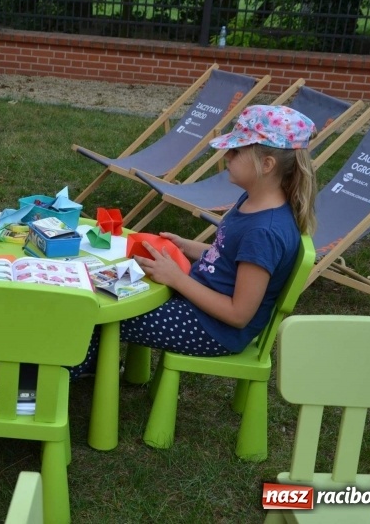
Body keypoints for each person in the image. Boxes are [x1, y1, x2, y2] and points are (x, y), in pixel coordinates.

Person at [70, 105, 317, 378]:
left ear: (267, 165)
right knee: (103, 287)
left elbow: (238, 314)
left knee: (100, 312)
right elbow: (225, 257)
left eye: (236, 152)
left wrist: (177, 278)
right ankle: (92, 361)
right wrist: (185, 246)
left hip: (213, 330)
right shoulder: (253, 201)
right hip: (198, 307)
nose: (227, 157)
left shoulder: (264, 233)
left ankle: (74, 366)